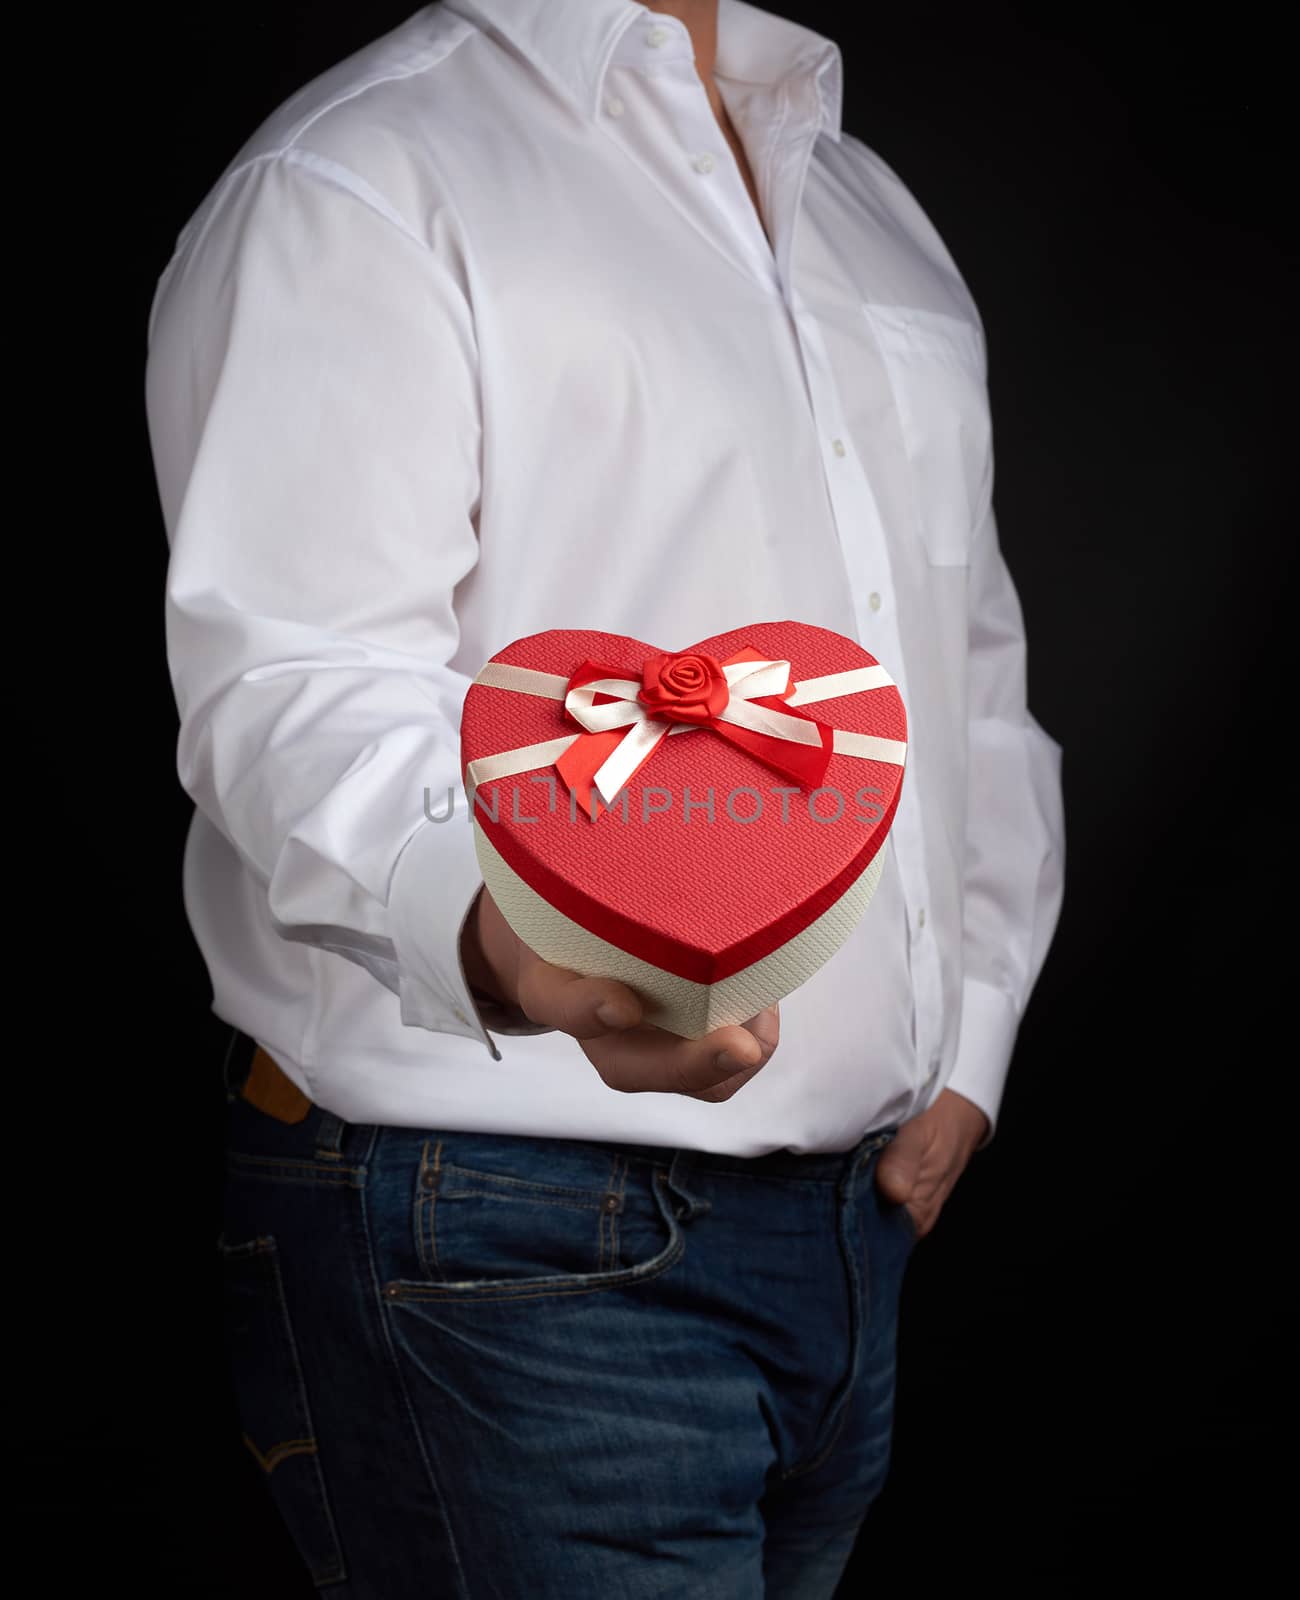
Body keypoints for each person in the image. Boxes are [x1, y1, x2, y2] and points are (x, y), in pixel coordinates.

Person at [144, 0, 1065, 1593]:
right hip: (505, 1245)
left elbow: (962, 665)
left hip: (855, 1239)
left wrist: (969, 1033)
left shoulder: (868, 207)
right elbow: (290, 688)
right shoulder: (365, 173)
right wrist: (520, 943)